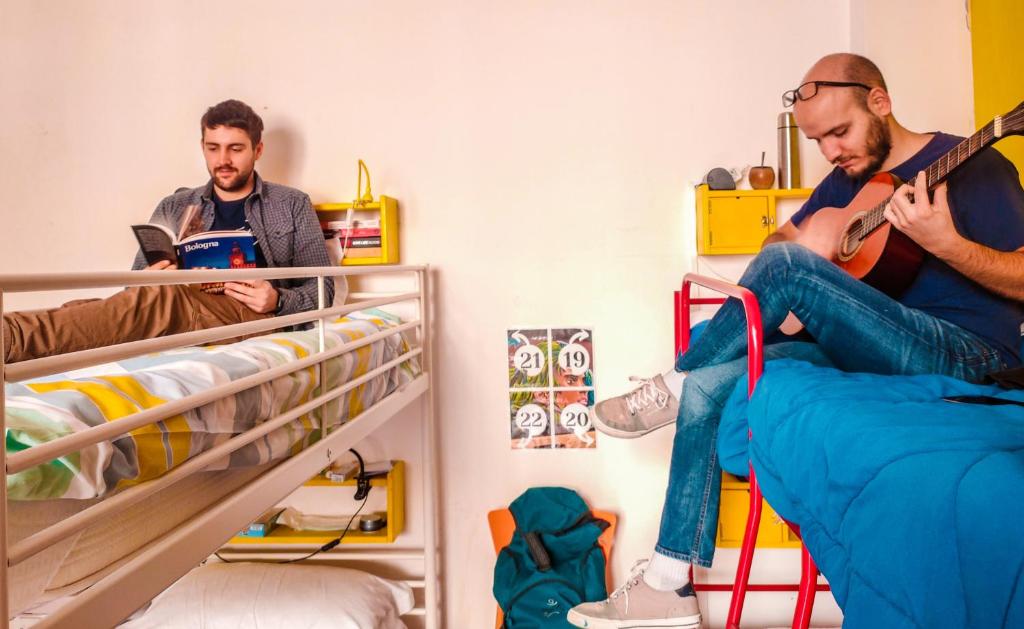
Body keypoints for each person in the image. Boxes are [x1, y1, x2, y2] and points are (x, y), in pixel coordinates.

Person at [567, 53, 1024, 629]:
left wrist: (947, 244)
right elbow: (779, 242)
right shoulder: (853, 178)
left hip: (969, 352)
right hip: (882, 348)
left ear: (879, 102)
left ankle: (673, 382)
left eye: (840, 132)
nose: (832, 152)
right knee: (716, 380)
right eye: (819, 140)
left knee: (781, 275)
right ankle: (667, 582)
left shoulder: (974, 165)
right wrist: (815, 236)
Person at [3, 99, 333, 364]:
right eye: (213, 147)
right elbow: (135, 291)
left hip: (251, 316)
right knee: (88, 307)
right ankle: (19, 339)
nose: (223, 159)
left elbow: (325, 290)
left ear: (257, 151)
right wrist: (151, 275)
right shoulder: (175, 206)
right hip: (180, 304)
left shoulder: (291, 203)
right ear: (202, 147)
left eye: (235, 148)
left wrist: (277, 300)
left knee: (158, 303)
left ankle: (11, 336)